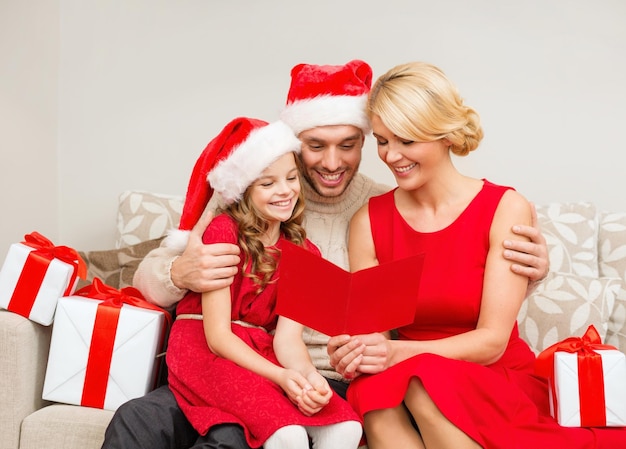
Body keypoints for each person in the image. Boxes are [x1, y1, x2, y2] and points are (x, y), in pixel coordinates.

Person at [101, 60, 550, 449]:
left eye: (350, 144)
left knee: (235, 437)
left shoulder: (375, 208)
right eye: (315, 146)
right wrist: (180, 272)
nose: (332, 162)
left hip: (313, 374)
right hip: (221, 363)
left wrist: (527, 275)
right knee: (139, 420)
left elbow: (427, 291)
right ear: (292, 145)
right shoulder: (242, 198)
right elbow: (148, 282)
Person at [327, 61, 626, 449]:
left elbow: (491, 343)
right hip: (408, 368)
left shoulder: (504, 207)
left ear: (444, 135)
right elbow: (376, 333)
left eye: (407, 140)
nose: (391, 155)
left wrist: (396, 352)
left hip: (488, 372)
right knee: (374, 393)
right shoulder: (369, 221)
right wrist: (356, 350)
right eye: (383, 141)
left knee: (419, 382)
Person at [165, 116, 362, 449]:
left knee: (345, 428)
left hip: (263, 352)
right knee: (287, 434)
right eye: (267, 184)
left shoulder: (305, 251)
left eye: (290, 178)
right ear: (244, 191)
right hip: (206, 352)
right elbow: (217, 338)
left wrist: (308, 378)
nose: (285, 191)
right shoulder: (223, 232)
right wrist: (281, 378)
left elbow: (287, 341)